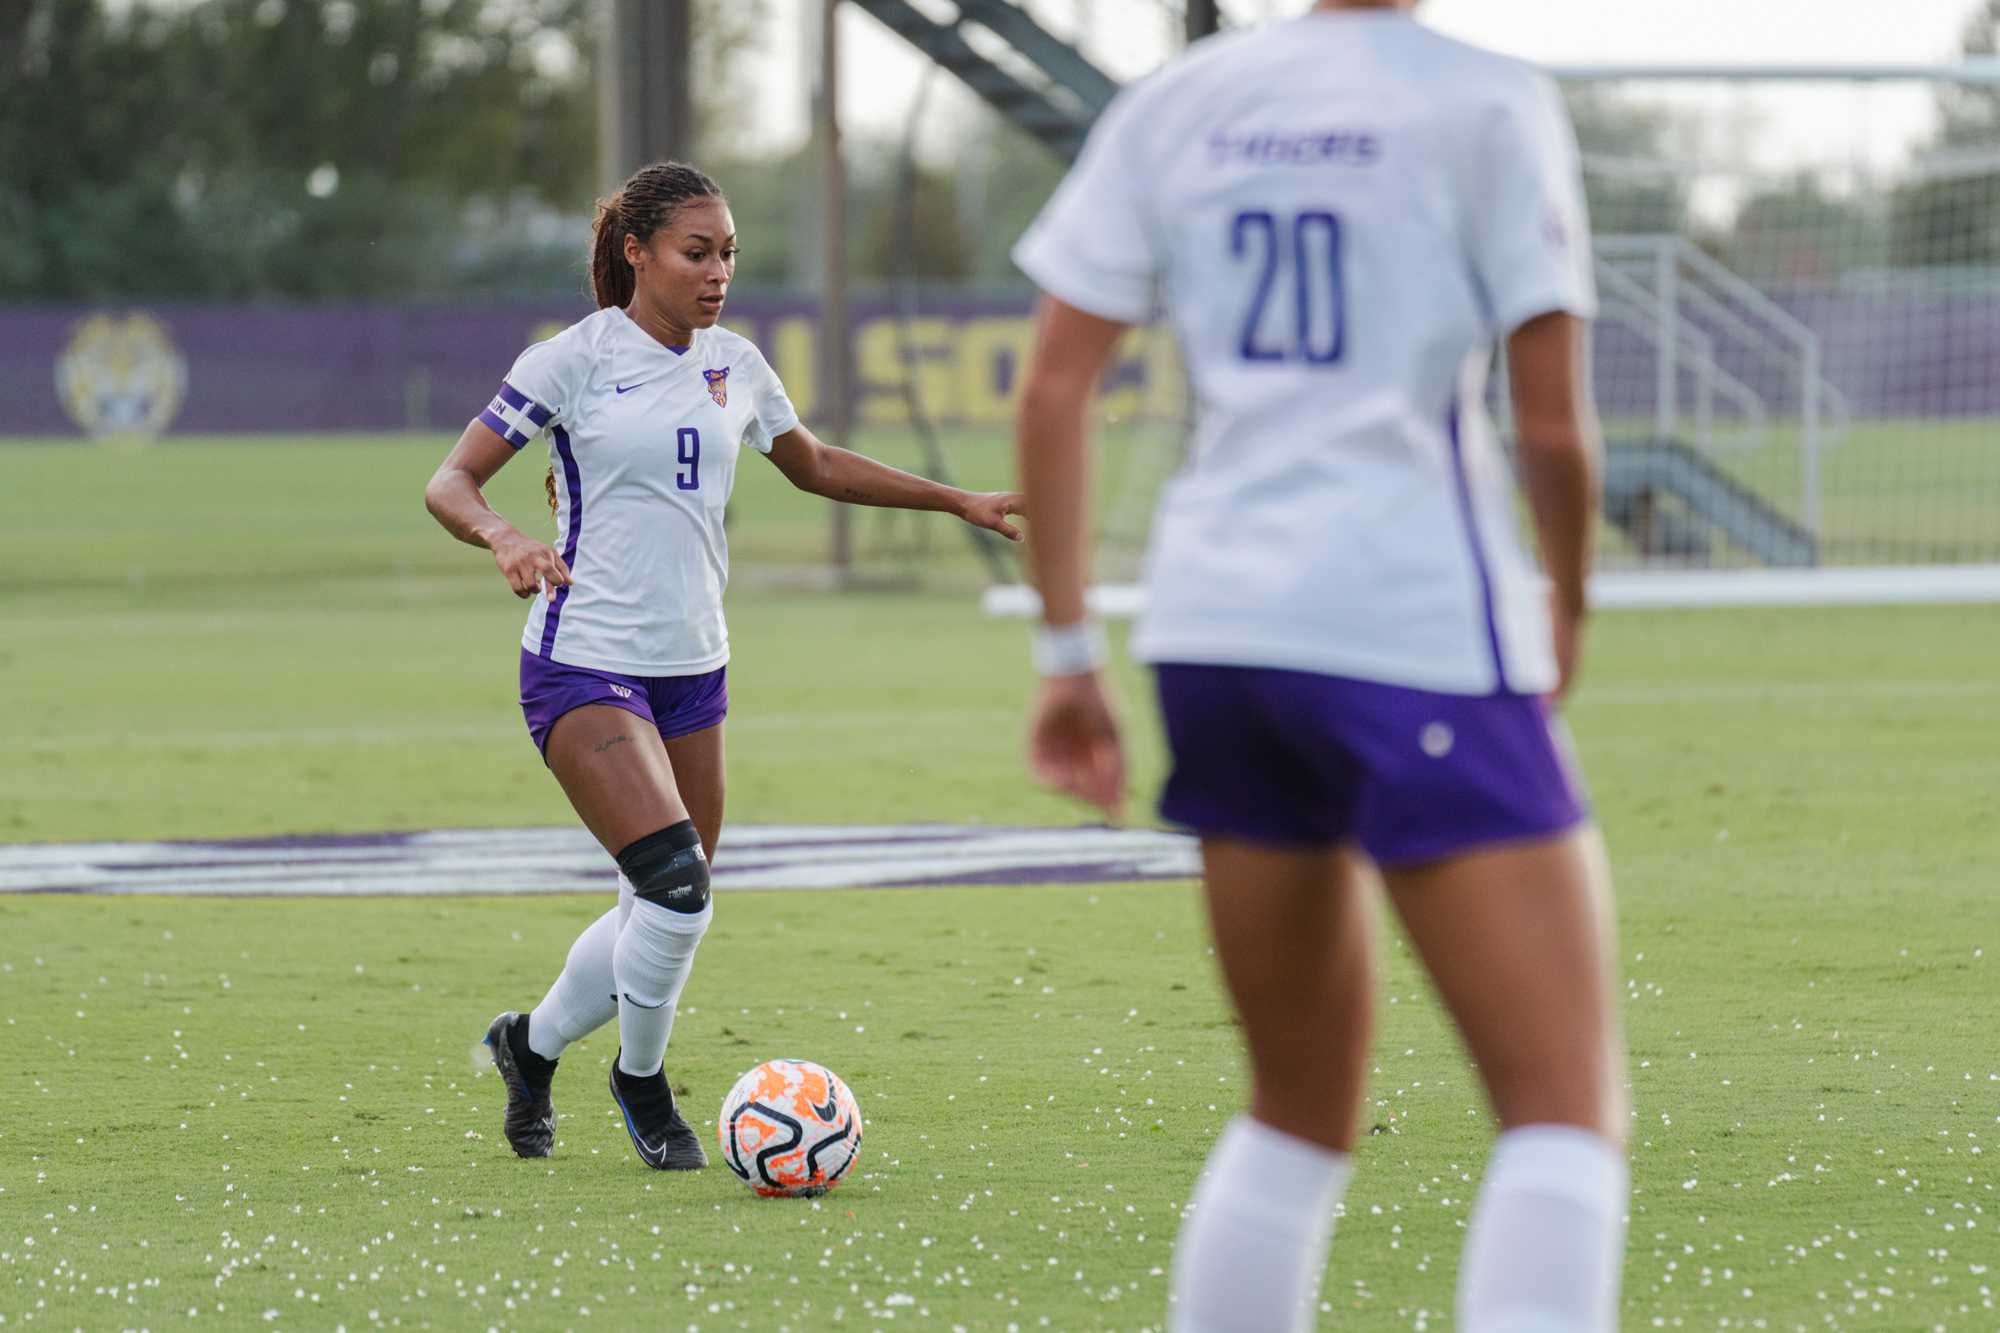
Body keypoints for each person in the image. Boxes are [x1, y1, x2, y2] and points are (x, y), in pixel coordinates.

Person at [1010, 3, 1626, 1330]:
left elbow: (1054, 390)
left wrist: (1068, 653)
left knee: (1295, 1111)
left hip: (1216, 634)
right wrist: (1568, 601)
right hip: (1407, 628)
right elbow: (1556, 432)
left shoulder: (1183, 102)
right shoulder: (1487, 100)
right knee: (1565, 1112)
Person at [424, 160, 1023, 1170]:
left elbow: (816, 463)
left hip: (692, 666)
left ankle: (526, 1047)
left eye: (729, 255)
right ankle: (642, 1081)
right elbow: (451, 478)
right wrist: (501, 536)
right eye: (696, 253)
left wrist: (957, 500)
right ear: (636, 253)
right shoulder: (570, 361)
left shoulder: (736, 362)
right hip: (583, 661)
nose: (717, 273)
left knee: (658, 904)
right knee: (673, 886)